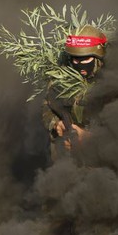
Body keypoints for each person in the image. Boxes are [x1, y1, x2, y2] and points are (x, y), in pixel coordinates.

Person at [42, 25, 108, 159]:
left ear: (98, 58)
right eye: (76, 59)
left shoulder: (114, 81)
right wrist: (56, 124)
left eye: (86, 59)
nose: (80, 64)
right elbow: (47, 106)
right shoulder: (61, 79)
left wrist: (89, 138)